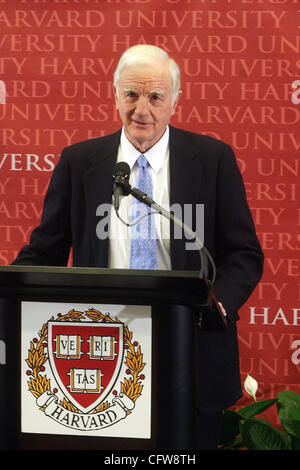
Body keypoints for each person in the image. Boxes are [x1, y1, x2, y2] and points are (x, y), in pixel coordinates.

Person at [12, 44, 264, 449]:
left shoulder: (214, 159)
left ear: (175, 100)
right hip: (100, 352)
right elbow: (45, 252)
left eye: (155, 96)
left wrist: (218, 304)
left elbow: (243, 254)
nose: (141, 109)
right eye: (131, 94)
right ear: (115, 95)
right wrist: (11, 292)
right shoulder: (80, 162)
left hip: (191, 349)